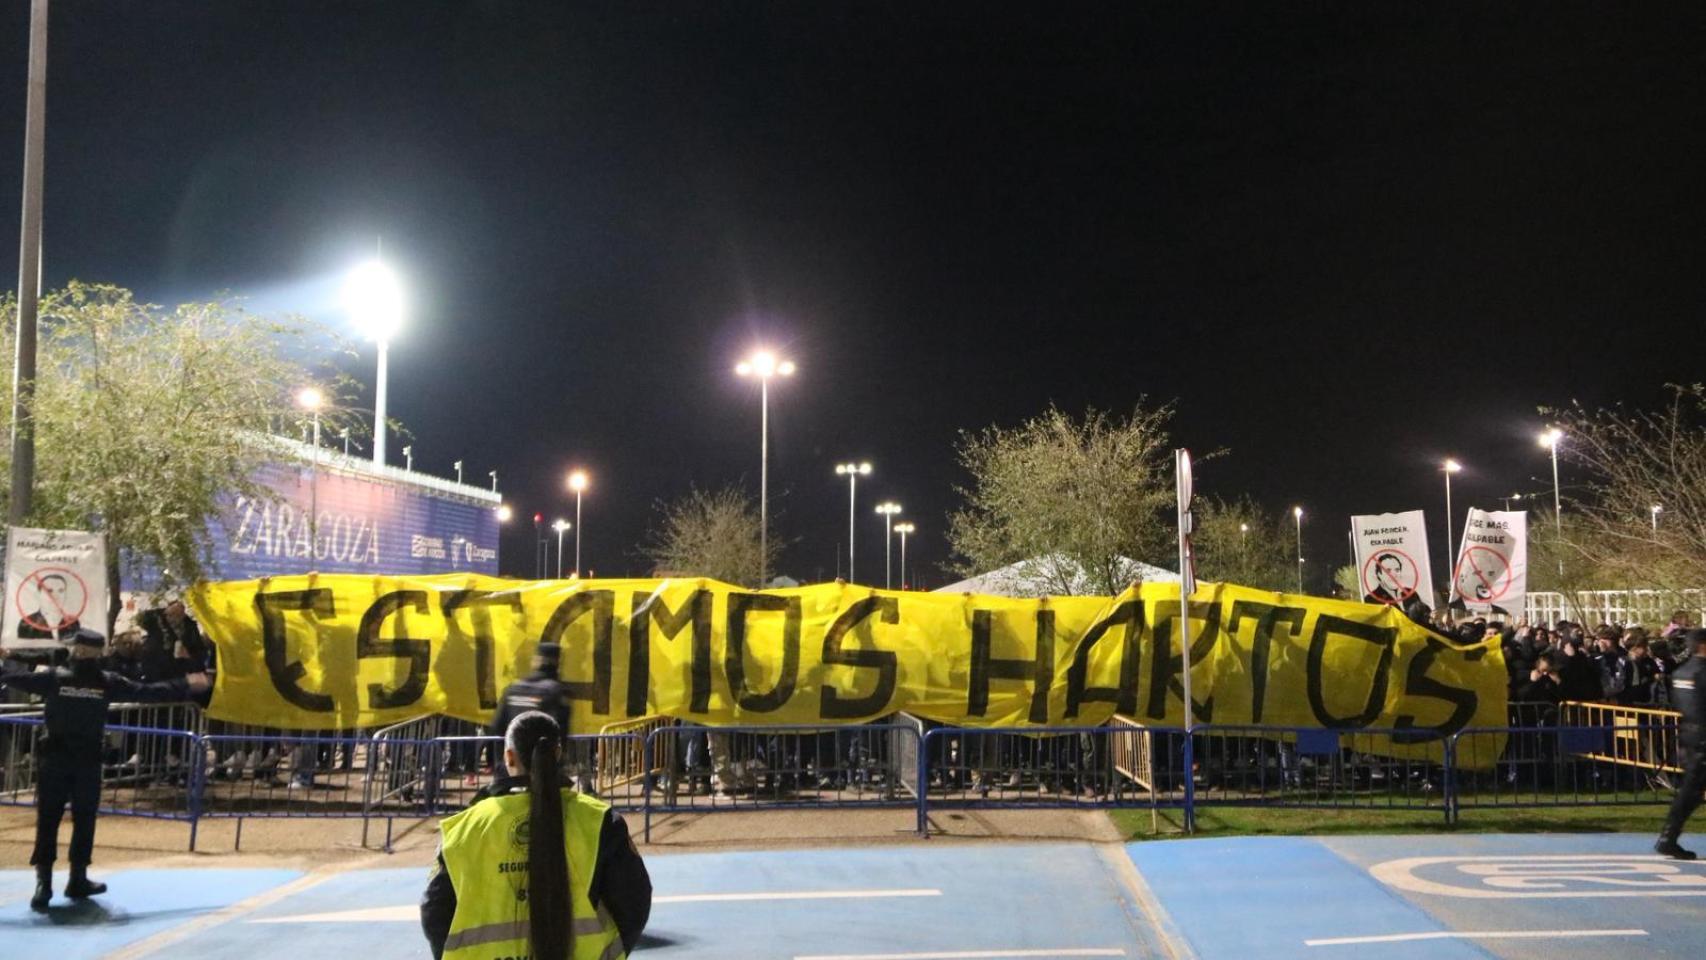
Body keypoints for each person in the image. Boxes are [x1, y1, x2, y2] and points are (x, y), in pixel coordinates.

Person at [0, 630, 209, 912]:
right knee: (84, 819)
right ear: (98, 652)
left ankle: (45, 884)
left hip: (55, 759)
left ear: (77, 649)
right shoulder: (106, 682)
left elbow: (12, 678)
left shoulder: (53, 678)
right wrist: (184, 682)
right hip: (86, 760)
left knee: (49, 820)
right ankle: (76, 878)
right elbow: (148, 692)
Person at [420, 710, 651, 960]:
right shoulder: (600, 821)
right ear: (558, 753)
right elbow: (634, 902)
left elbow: (435, 912)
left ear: (509, 757)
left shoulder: (464, 829)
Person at [1655, 628, 1706, 859]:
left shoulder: (1681, 672)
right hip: (1703, 736)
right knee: (1690, 792)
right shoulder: (1702, 672)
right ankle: (1668, 837)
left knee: (1691, 792)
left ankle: (1669, 837)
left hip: (1688, 735)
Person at [488, 642, 571, 780]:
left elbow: (496, 727)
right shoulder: (556, 692)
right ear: (557, 662)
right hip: (543, 772)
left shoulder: (513, 689)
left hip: (509, 768)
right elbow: (561, 731)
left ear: (535, 661)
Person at [15, 572, 83, 641]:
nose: (55, 596)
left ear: (66, 595)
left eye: (61, 591)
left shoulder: (73, 622)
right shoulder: (28, 622)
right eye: (49, 591)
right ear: (38, 594)